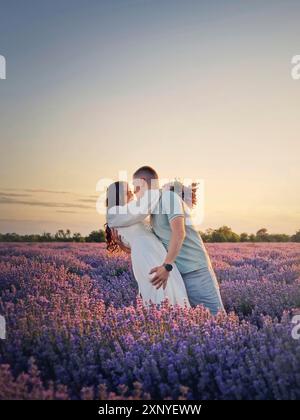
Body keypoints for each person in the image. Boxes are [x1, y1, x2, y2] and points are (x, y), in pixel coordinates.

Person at [107, 166, 225, 316]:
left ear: (143, 182)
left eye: (136, 189)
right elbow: (154, 244)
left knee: (217, 319)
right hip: (177, 274)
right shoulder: (152, 209)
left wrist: (166, 266)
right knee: (195, 324)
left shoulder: (168, 197)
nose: (135, 195)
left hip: (195, 271)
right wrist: (126, 247)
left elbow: (179, 233)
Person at [105, 181, 190, 307]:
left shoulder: (128, 212)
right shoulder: (114, 212)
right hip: (146, 255)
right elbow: (145, 205)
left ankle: (177, 322)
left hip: (157, 251)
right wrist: (162, 190)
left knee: (173, 287)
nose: (132, 192)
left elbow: (137, 239)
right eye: (127, 191)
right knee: (157, 290)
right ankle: (162, 321)